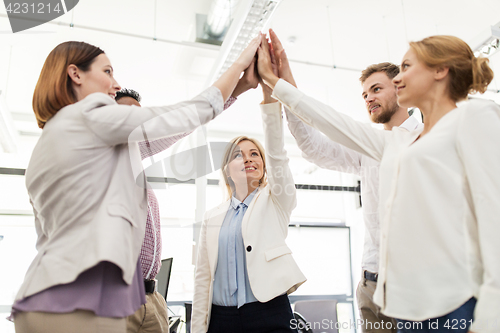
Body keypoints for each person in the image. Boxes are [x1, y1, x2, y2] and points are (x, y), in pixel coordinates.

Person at [12, 35, 261, 333]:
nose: (115, 84)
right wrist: (239, 66)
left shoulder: (59, 138)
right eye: (107, 72)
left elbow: (172, 130)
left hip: (51, 294)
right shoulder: (86, 118)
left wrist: (239, 88)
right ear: (75, 74)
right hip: (78, 300)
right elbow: (180, 116)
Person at [258, 32, 499, 333]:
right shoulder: (395, 142)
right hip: (409, 299)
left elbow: (493, 217)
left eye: (408, 67)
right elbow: (331, 122)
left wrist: (491, 316)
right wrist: (281, 81)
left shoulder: (476, 117)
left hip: (456, 295)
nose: (400, 78)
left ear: (440, 71)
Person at [117, 78, 259, 333]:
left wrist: (237, 88)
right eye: (126, 114)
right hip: (118, 299)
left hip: (151, 298)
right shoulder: (102, 155)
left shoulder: (136, 153)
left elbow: (187, 123)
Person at [191, 63, 306, 333]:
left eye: (254, 154)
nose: (248, 158)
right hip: (221, 318)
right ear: (226, 170)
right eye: (238, 154)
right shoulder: (212, 216)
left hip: (269, 311)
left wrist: (269, 103)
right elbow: (202, 279)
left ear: (264, 165)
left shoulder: (276, 199)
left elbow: (278, 156)